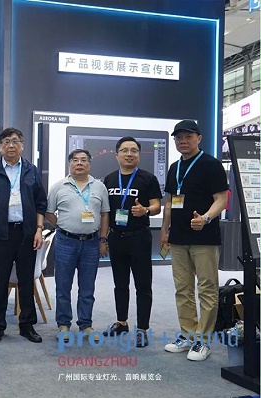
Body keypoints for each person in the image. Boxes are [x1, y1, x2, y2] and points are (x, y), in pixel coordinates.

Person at [161, 120, 228, 361]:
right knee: (183, 288)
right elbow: (170, 202)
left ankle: (203, 340)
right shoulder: (174, 167)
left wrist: (206, 218)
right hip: (178, 237)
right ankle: (188, 335)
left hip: (204, 237)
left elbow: (221, 199)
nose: (183, 141)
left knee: (207, 289)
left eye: (188, 136)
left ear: (199, 138)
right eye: (178, 137)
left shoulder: (211, 164)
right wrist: (164, 230)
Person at [0, 127, 47, 343]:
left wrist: (38, 229)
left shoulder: (31, 170)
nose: (11, 145)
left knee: (26, 280)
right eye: (6, 141)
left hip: (26, 233)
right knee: (0, 280)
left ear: (22, 145)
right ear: (0, 146)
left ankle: (27, 325)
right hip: (1, 234)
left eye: (15, 141)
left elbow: (40, 202)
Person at [102, 137, 162, 348]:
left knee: (143, 285)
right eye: (125, 150)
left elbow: (157, 206)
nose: (129, 154)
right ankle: (121, 322)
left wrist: (145, 210)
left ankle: (142, 329)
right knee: (120, 284)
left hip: (139, 237)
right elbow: (105, 212)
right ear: (116, 154)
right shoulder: (109, 179)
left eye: (134, 150)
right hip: (116, 237)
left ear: (139, 154)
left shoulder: (148, 178)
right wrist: (103, 237)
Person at [46, 149, 109, 343]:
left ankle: (85, 324)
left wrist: (103, 239)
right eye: (75, 160)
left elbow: (105, 214)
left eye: (83, 160)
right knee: (63, 285)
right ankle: (63, 324)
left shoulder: (99, 187)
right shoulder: (58, 187)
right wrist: (63, 226)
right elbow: (49, 212)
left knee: (87, 286)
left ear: (89, 164)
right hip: (66, 242)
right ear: (69, 164)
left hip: (91, 242)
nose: (79, 163)